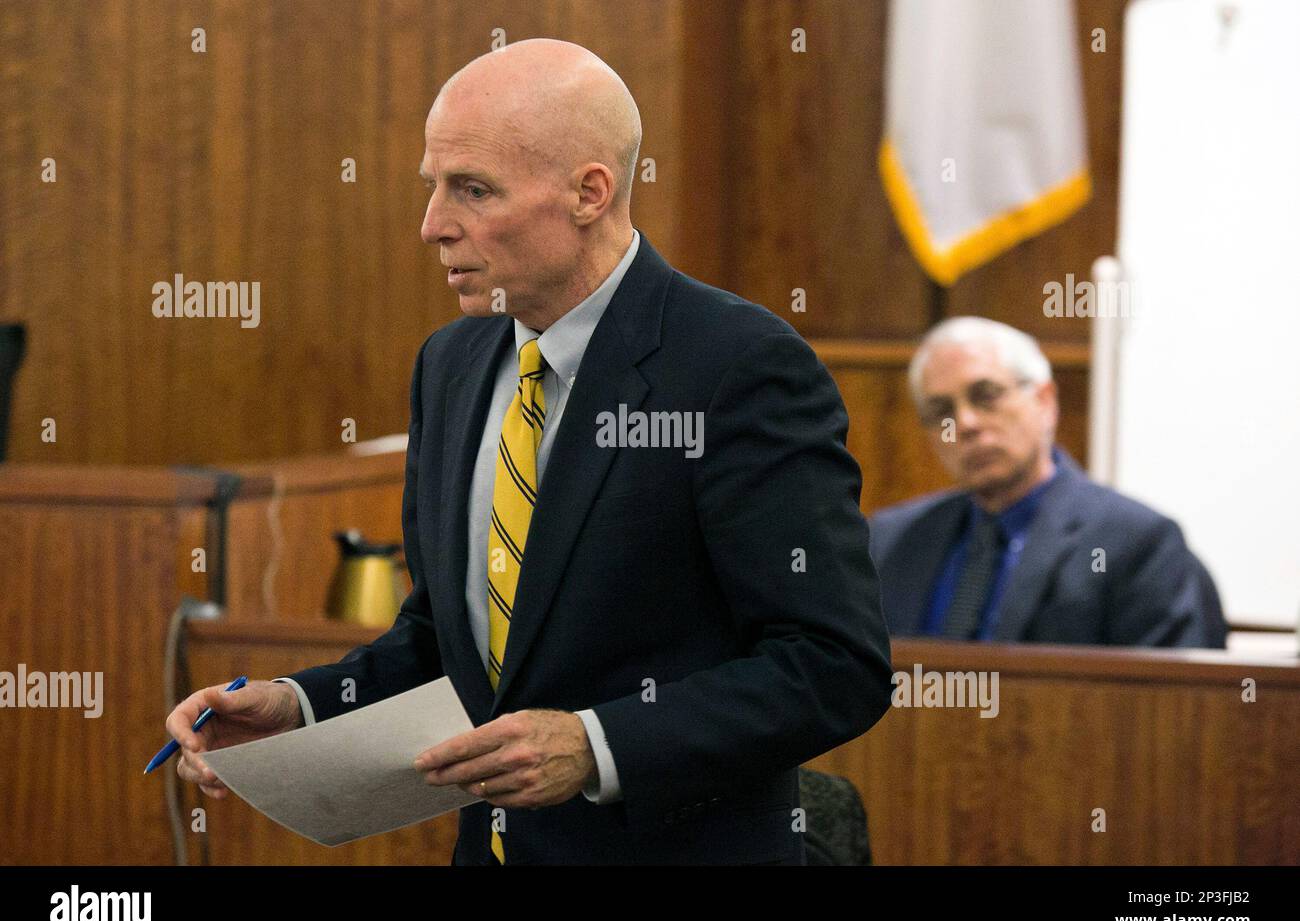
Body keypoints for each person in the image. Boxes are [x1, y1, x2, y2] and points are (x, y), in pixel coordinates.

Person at [166, 38, 893, 865]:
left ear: (591, 191)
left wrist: (595, 745)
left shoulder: (737, 366)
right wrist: (300, 706)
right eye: (433, 186)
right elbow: (448, 642)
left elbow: (834, 664)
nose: (433, 225)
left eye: (472, 190)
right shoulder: (453, 363)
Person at [869, 315, 1227, 648]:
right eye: (941, 411)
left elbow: (1161, 705)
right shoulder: (889, 541)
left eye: (986, 395)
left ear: (1044, 401)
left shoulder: (1137, 544)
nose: (965, 424)